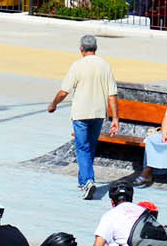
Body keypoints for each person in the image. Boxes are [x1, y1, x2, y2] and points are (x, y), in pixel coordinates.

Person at [48, 35, 119, 196]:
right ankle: (83, 181)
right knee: (90, 147)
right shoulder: (105, 66)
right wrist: (115, 118)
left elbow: (64, 91)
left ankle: (88, 181)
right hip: (99, 113)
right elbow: (112, 94)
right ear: (95, 48)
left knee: (82, 148)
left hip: (81, 113)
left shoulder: (77, 66)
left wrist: (53, 104)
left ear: (81, 49)